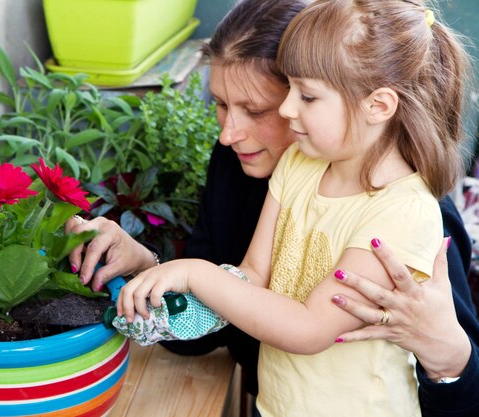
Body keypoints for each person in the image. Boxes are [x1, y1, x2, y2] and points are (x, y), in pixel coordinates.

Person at [67, 0, 479, 415]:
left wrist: (448, 361)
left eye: (256, 109)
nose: (228, 134)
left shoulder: (410, 211)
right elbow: (225, 305)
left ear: (372, 105)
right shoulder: (264, 165)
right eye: (221, 104)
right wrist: (146, 267)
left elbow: (462, 394)